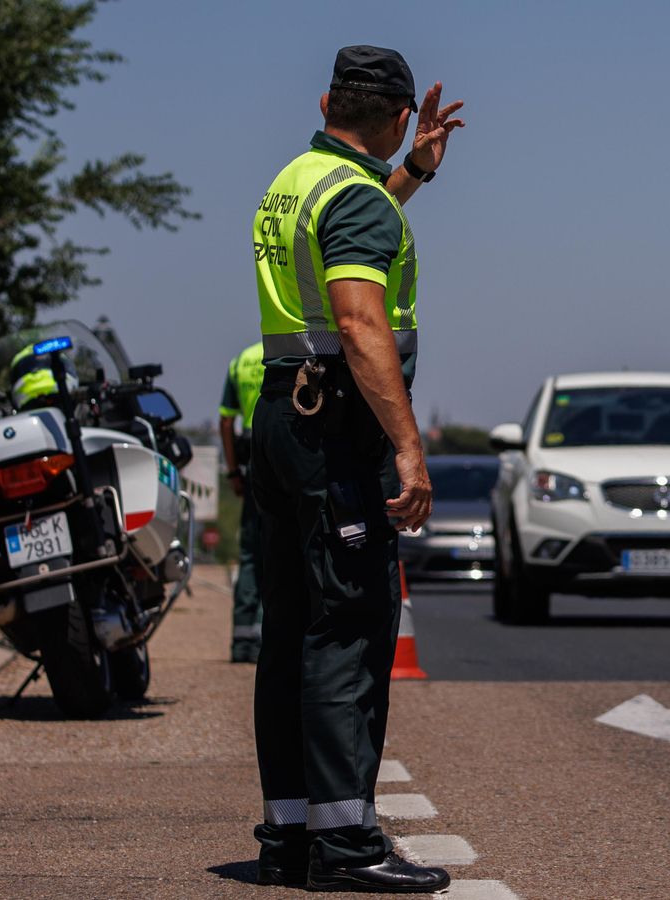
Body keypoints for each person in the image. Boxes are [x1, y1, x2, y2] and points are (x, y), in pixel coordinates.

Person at [249, 45, 464, 892]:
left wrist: (414, 173)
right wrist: (408, 446)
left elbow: (351, 226)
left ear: (326, 103)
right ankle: (346, 846)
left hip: (283, 418)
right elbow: (359, 322)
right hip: (338, 432)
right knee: (348, 631)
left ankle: (290, 837)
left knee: (291, 631)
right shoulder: (356, 202)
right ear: (402, 115)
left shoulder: (298, 180)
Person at [218, 340, 265, 663]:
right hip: (280, 453)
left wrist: (233, 470)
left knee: (250, 553)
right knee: (279, 549)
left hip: (249, 459)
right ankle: (266, 637)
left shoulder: (241, 362)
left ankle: (241, 641)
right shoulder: (290, 352)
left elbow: (225, 422)